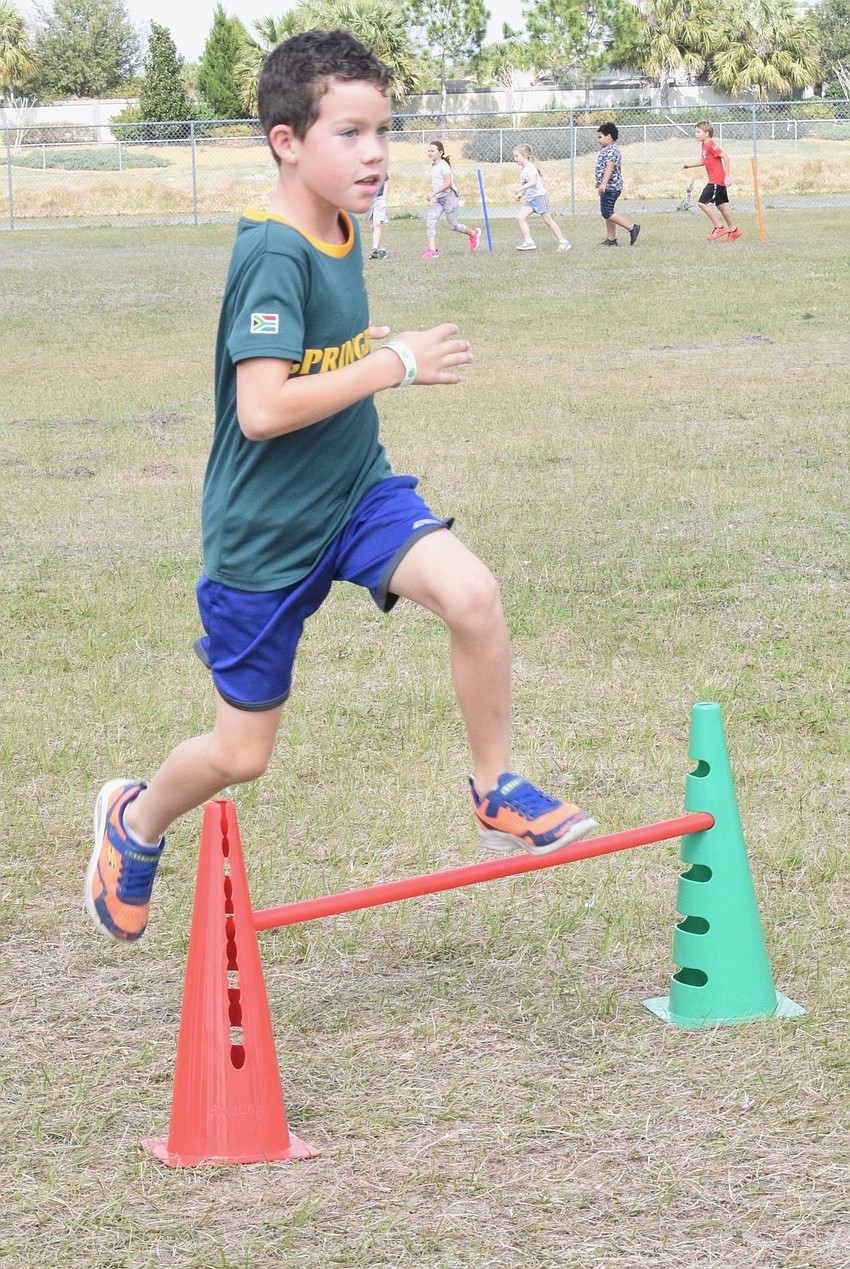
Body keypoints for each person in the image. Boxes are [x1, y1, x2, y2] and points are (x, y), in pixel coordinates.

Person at [84, 29, 597, 944]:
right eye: (350, 134)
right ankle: (134, 820)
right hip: (264, 536)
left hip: (356, 493)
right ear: (287, 141)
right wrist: (393, 362)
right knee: (241, 754)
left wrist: (361, 354)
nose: (376, 155)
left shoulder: (345, 227)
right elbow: (262, 411)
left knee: (473, 594)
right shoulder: (272, 255)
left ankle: (495, 788)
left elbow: (315, 359)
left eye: (384, 132)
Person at [683, 122, 742, 242]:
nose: (696, 134)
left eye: (698, 132)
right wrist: (689, 165)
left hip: (717, 180)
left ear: (707, 133)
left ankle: (719, 228)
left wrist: (728, 176)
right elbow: (703, 160)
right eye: (696, 132)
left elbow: (725, 157)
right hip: (715, 180)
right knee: (721, 206)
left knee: (702, 203)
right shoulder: (704, 145)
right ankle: (734, 230)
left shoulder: (711, 145)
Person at [422, 140, 480, 259]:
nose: (429, 153)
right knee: (430, 221)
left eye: (432, 151)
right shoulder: (432, 165)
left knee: (453, 226)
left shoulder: (444, 165)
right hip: (439, 199)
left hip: (449, 197)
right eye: (428, 151)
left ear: (440, 152)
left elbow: (448, 183)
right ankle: (432, 250)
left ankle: (473, 234)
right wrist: (435, 193)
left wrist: (433, 192)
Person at [512, 143, 571, 252]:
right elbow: (527, 185)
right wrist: (521, 194)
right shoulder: (523, 169)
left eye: (517, 156)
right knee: (520, 217)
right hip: (530, 199)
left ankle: (563, 242)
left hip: (539, 197)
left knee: (548, 221)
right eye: (514, 156)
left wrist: (519, 189)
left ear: (525, 156)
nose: (515, 159)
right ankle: (529, 242)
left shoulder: (530, 167)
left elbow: (533, 182)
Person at [594, 123, 640, 247]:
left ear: (609, 136)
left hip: (611, 187)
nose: (598, 140)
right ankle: (611, 239)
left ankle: (632, 227)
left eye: (600, 137)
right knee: (608, 212)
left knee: (607, 212)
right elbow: (603, 168)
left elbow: (610, 167)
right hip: (607, 186)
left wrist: (603, 183)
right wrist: (599, 182)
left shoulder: (611, 150)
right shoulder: (608, 150)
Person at [367, 173, 388, 259]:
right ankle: (382, 250)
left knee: (377, 223)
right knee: (374, 226)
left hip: (379, 199)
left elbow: (386, 182)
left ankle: (374, 249)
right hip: (368, 200)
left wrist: (384, 198)